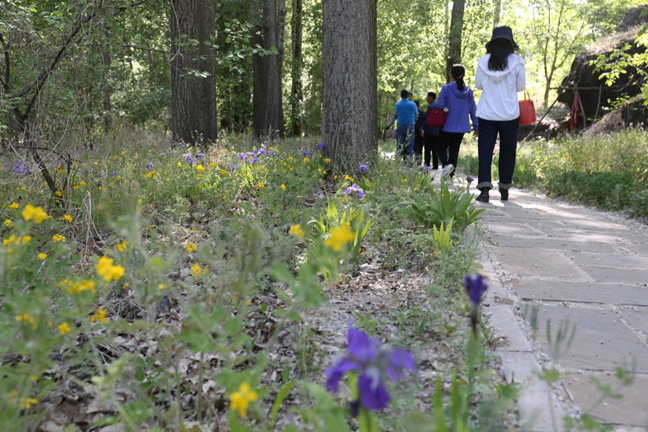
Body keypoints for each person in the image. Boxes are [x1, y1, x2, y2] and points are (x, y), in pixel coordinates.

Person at [474, 26, 526, 203]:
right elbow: (520, 87)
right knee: (507, 152)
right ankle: (504, 189)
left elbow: (479, 85)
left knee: (485, 152)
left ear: (492, 43)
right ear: (511, 44)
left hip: (487, 113)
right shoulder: (518, 62)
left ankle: (484, 191)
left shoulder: (483, 61)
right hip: (509, 114)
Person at [435, 65, 478, 179]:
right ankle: (450, 175)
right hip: (462, 127)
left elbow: (439, 105)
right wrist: (476, 126)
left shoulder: (446, 89)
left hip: (447, 125)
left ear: (452, 75)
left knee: (440, 148)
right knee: (454, 151)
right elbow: (473, 110)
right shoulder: (468, 91)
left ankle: (446, 165)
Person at [393, 89, 418, 161]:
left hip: (400, 126)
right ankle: (409, 162)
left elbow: (396, 115)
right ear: (407, 96)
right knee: (409, 145)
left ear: (400, 96)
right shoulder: (413, 104)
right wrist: (414, 121)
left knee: (399, 145)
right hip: (410, 126)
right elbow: (417, 114)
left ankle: (397, 161)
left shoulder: (397, 104)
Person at [421, 92, 440, 169]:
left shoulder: (430, 107)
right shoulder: (439, 106)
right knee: (435, 149)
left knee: (427, 148)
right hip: (437, 130)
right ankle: (435, 165)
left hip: (429, 130)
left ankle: (427, 164)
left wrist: (422, 127)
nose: (427, 98)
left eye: (428, 97)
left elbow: (427, 119)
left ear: (431, 97)